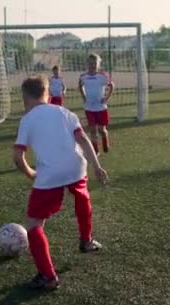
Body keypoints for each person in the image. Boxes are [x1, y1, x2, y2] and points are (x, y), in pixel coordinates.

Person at [13, 75, 108, 290]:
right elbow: (83, 139)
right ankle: (86, 241)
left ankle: (48, 276)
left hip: (50, 174)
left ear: (25, 97)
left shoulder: (27, 120)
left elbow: (18, 157)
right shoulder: (65, 112)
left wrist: (31, 173)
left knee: (34, 224)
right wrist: (96, 166)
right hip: (77, 167)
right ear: (47, 93)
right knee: (82, 196)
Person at [78, 53, 114, 154]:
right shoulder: (83, 76)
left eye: (94, 63)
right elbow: (80, 87)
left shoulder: (102, 76)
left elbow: (112, 86)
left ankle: (105, 138)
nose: (92, 65)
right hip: (89, 108)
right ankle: (95, 150)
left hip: (101, 108)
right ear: (87, 64)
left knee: (102, 130)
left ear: (98, 64)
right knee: (93, 130)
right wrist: (84, 97)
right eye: (90, 63)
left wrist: (106, 98)